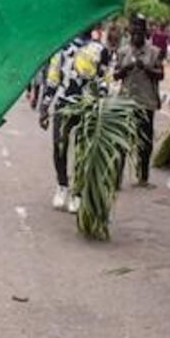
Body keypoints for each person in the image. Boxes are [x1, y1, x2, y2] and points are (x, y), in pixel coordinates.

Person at [39, 29, 109, 213]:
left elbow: (104, 80)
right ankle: (62, 185)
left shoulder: (100, 50)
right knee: (59, 145)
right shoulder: (62, 47)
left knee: (83, 150)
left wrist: (101, 102)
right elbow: (53, 77)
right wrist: (45, 106)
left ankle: (77, 193)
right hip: (63, 104)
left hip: (87, 107)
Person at [116, 18, 164, 188]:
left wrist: (148, 69)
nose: (136, 34)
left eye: (139, 31)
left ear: (145, 32)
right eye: (133, 31)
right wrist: (125, 69)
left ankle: (143, 177)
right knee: (121, 140)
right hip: (125, 101)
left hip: (146, 102)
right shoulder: (122, 51)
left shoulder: (154, 52)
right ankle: (117, 178)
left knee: (145, 141)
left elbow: (161, 74)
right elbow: (115, 75)